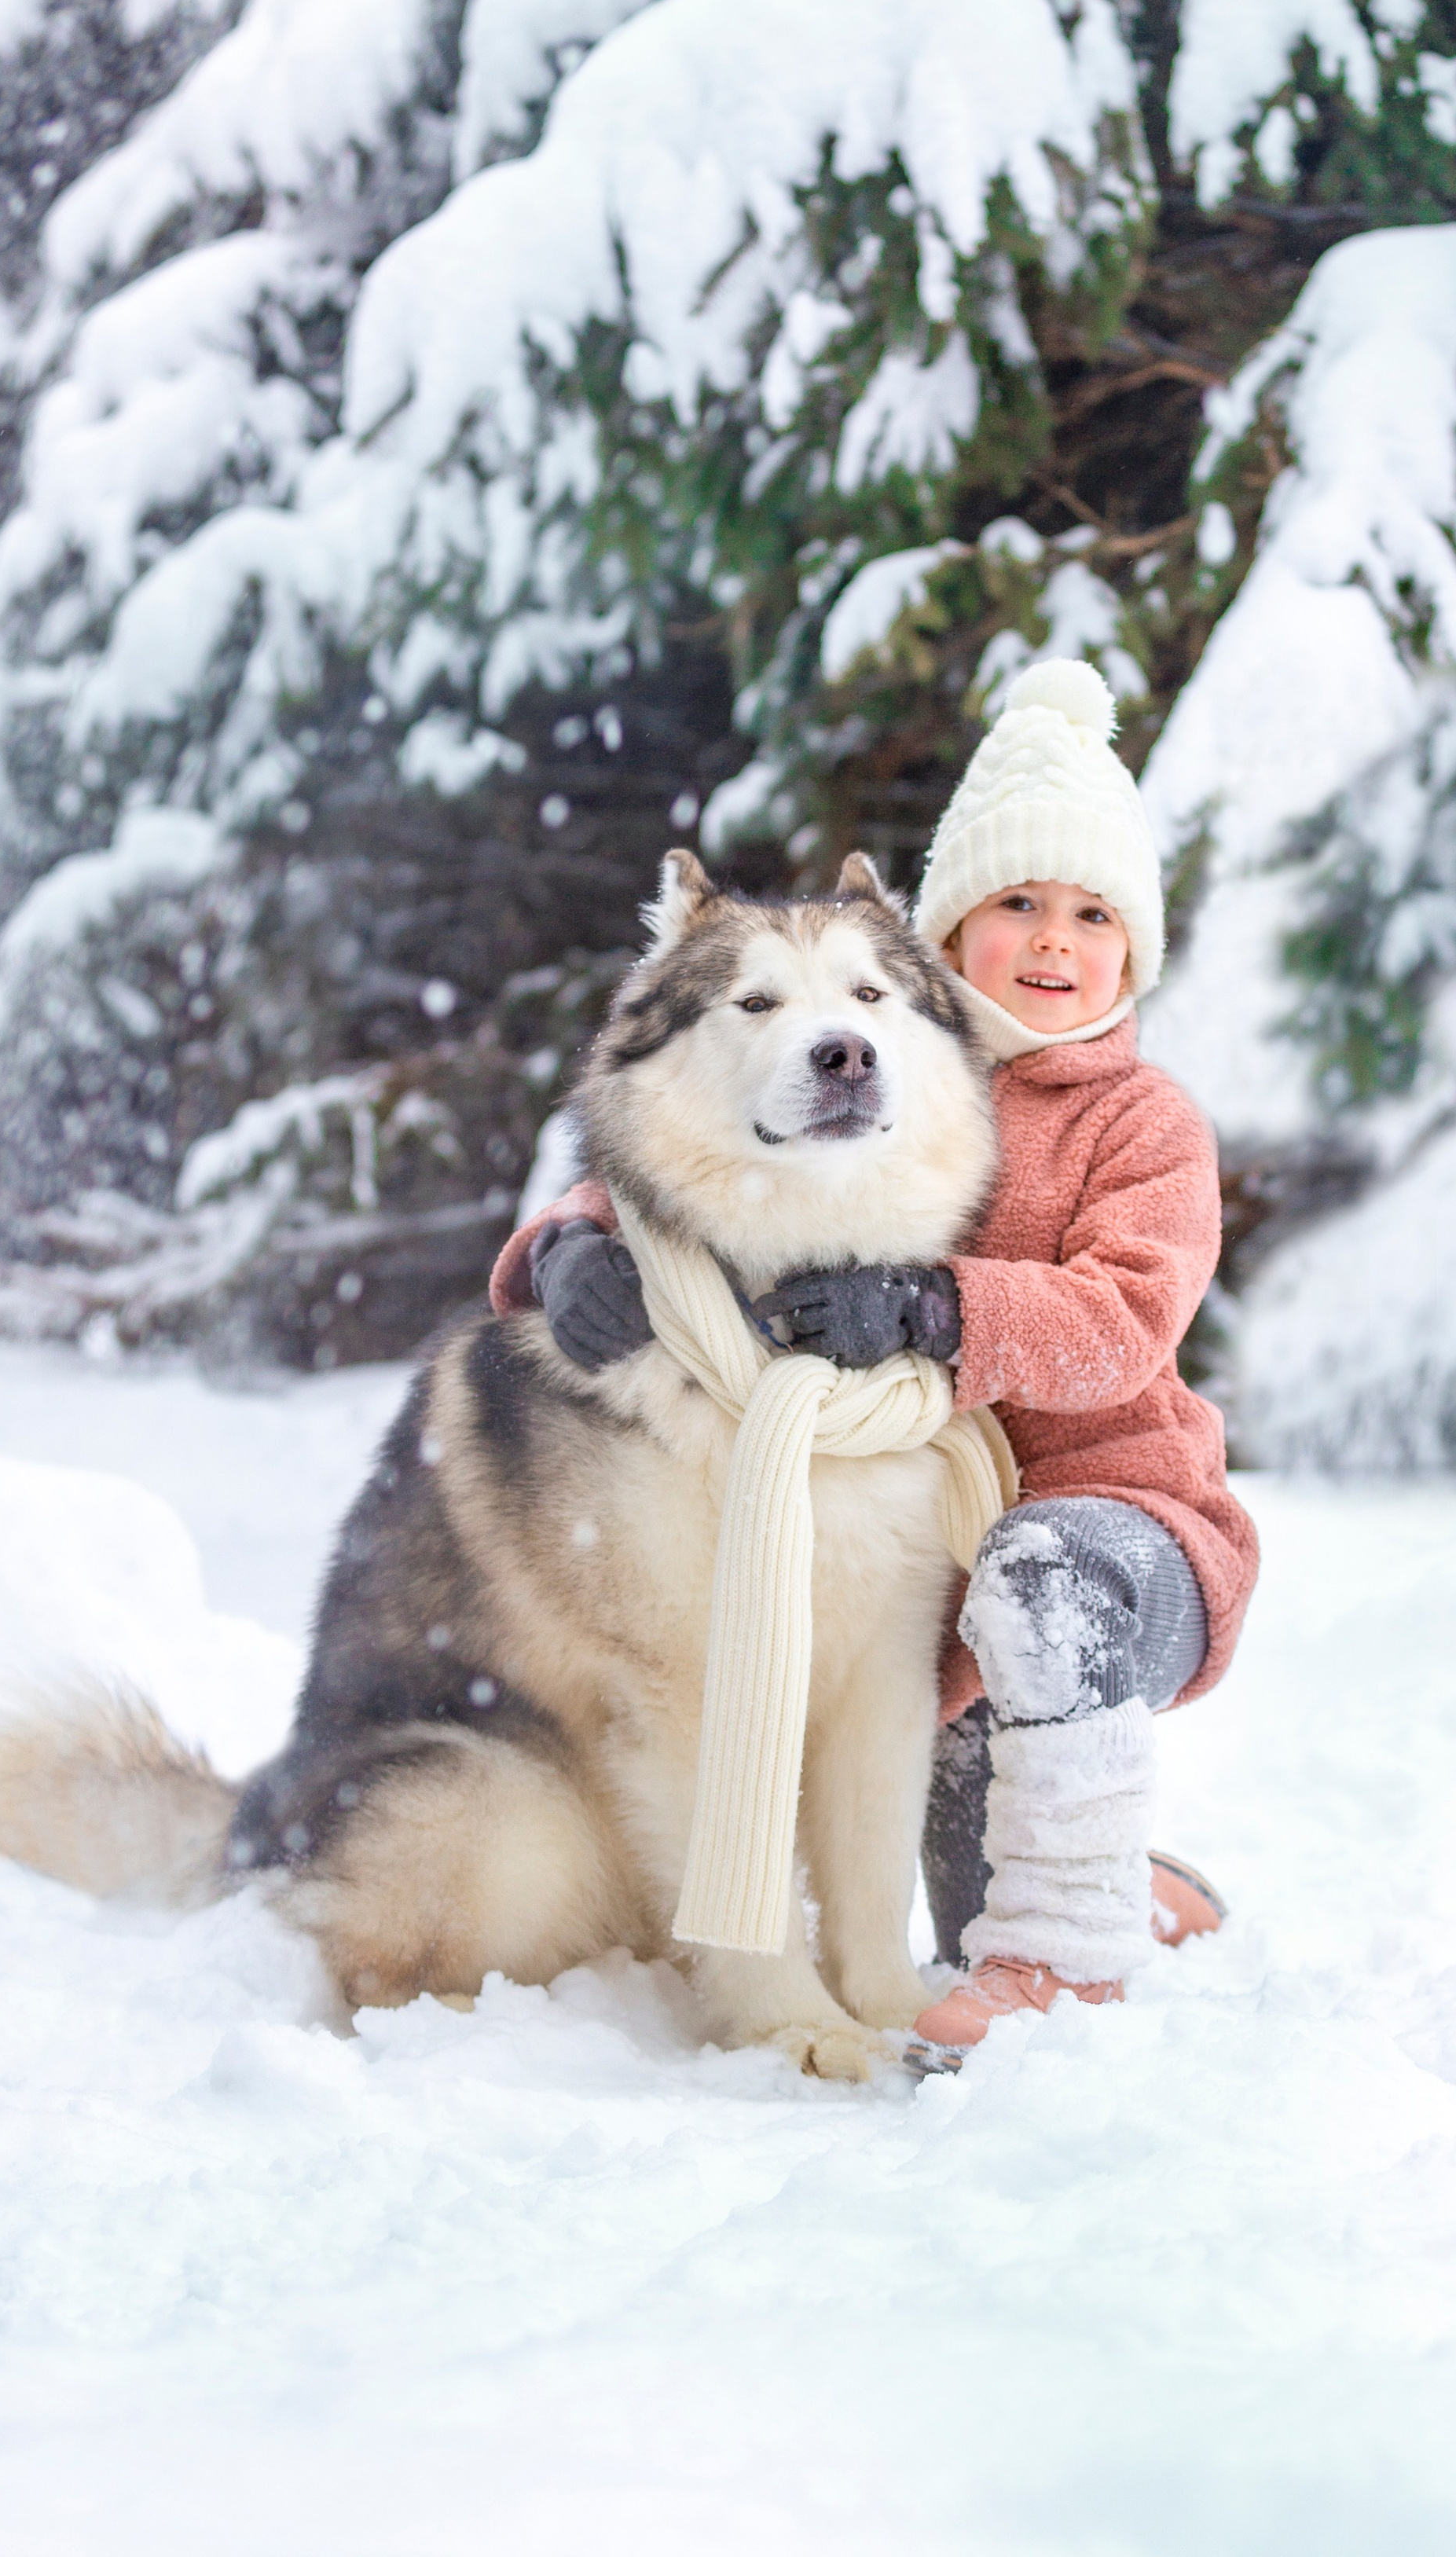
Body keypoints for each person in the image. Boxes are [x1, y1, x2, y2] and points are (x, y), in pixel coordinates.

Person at [488, 661, 1258, 2053]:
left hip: (1116, 1534)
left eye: (1092, 916)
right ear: (949, 934)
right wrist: (562, 1246)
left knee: (1040, 1606)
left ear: (1134, 953)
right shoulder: (894, 1056)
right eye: (1015, 902)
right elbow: (701, 1163)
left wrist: (939, 1310)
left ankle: (1079, 1953)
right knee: (970, 1899)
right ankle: (1108, 1884)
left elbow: (1124, 1320)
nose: (1051, 939)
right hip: (957, 1592)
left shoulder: (1141, 1123)